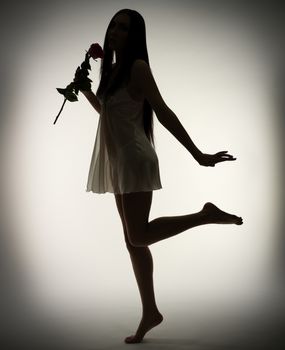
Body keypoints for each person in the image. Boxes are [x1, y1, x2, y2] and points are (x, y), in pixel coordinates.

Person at [80, 8, 243, 344]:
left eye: (124, 28)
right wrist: (86, 92)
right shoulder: (110, 71)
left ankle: (204, 215)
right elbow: (108, 114)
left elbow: (163, 111)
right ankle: (150, 312)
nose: (115, 32)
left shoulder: (138, 68)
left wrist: (197, 153)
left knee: (138, 237)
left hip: (136, 159)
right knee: (132, 242)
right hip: (118, 162)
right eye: (113, 26)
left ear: (135, 35)